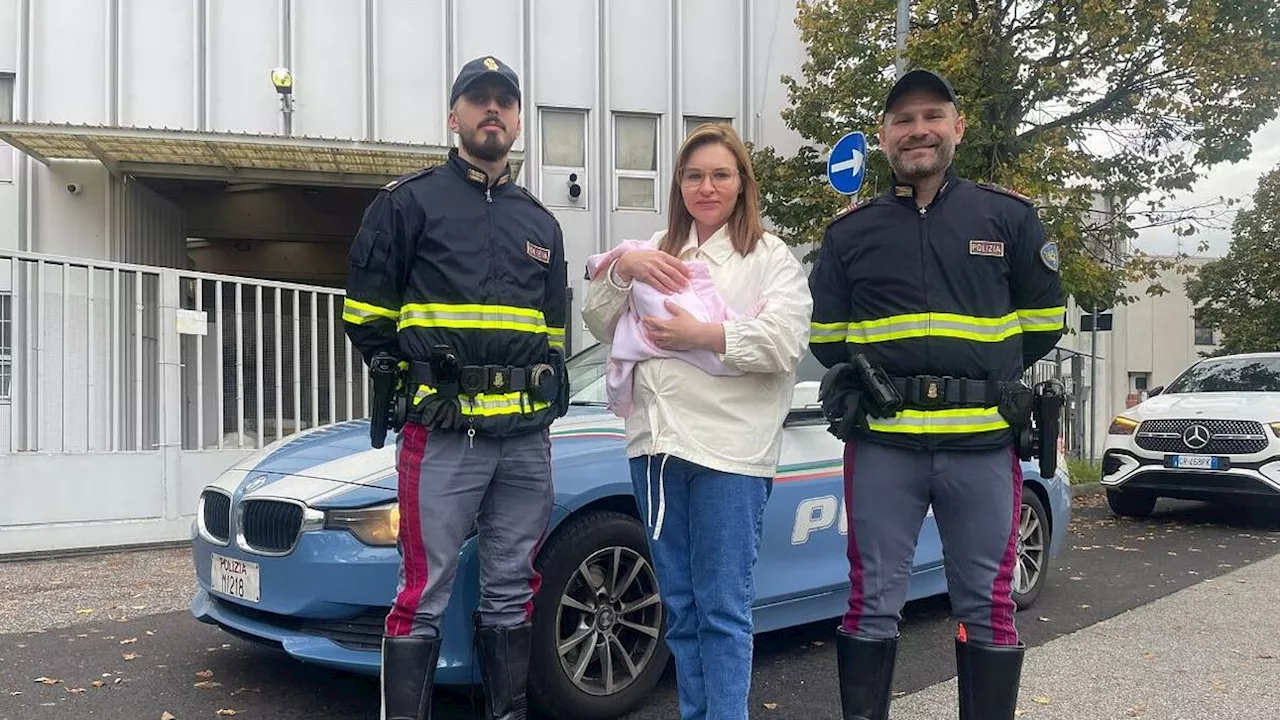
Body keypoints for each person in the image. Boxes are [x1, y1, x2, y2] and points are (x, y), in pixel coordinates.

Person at [807, 69, 1065, 720]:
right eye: (902, 120)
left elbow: (1042, 326)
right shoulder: (849, 234)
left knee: (987, 602)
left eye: (931, 115)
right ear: (884, 138)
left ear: (957, 127)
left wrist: (973, 381)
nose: (917, 129)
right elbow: (828, 339)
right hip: (884, 446)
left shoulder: (1008, 217)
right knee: (872, 602)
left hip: (981, 446)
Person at [343, 55, 568, 720]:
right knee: (423, 592)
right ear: (454, 116)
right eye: (479, 100)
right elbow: (366, 320)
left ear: (519, 119)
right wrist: (411, 380)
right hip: (444, 434)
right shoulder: (406, 203)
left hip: (525, 443)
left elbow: (552, 333)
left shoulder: (541, 224)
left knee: (510, 592)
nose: (491, 110)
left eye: (504, 101)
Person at [581, 123, 813, 720]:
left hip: (729, 456)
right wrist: (623, 268)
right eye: (693, 175)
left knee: (723, 610)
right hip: (655, 452)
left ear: (741, 183)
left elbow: (784, 342)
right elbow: (597, 320)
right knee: (679, 609)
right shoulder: (658, 247)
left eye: (720, 175)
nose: (706, 187)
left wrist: (702, 334)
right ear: (679, 184)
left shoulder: (768, 256)